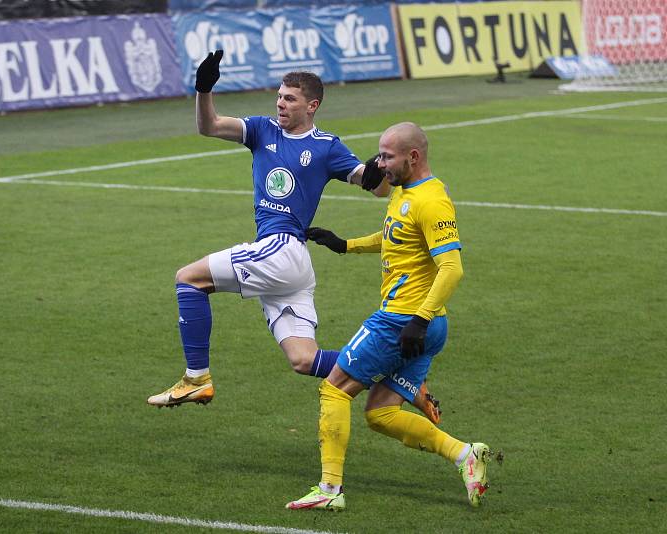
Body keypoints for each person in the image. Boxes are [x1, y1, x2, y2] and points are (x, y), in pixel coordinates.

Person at [147, 49, 431, 413]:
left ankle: (196, 377)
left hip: (281, 249)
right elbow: (210, 126)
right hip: (291, 267)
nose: (280, 103)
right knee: (304, 359)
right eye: (279, 96)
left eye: (290, 99)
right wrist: (204, 89)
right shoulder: (261, 130)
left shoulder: (326, 147)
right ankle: (400, 378)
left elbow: (378, 188)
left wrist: (379, 171)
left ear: (311, 106)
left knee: (188, 279)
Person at [286, 122, 493, 511]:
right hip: (424, 325)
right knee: (381, 414)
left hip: (402, 321)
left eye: (387, 156)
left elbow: (452, 267)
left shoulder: (431, 200)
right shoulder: (404, 191)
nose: (379, 164)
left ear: (413, 157)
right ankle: (466, 454)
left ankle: (329, 490)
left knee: (334, 388)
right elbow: (395, 237)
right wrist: (345, 245)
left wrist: (419, 318)